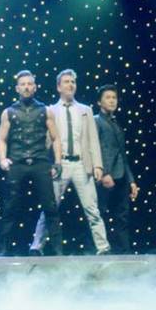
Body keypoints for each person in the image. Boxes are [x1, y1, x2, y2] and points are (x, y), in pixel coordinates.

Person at [31, 69, 111, 255]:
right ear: (59, 87)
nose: (70, 85)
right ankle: (36, 245)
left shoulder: (85, 110)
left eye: (73, 82)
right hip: (60, 164)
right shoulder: (51, 110)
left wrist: (98, 165)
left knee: (92, 208)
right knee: (50, 207)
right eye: (66, 82)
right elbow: (46, 140)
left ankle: (103, 247)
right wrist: (47, 164)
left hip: (82, 164)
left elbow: (92, 140)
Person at [0, 71, 63, 255]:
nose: (26, 87)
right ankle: (4, 251)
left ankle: (58, 251)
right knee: (10, 206)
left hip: (40, 161)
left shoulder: (45, 110)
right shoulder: (9, 112)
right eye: (23, 84)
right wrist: (2, 159)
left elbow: (56, 138)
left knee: (50, 207)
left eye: (29, 84)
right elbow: (1, 139)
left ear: (35, 87)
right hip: (17, 162)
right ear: (17, 88)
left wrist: (57, 162)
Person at [94, 84, 140, 253]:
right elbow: (96, 149)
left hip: (121, 175)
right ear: (99, 102)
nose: (112, 101)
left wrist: (131, 180)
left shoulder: (116, 123)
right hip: (105, 176)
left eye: (114, 97)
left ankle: (125, 252)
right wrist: (104, 173)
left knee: (122, 216)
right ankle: (102, 251)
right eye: (108, 97)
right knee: (101, 214)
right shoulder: (95, 121)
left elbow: (122, 154)